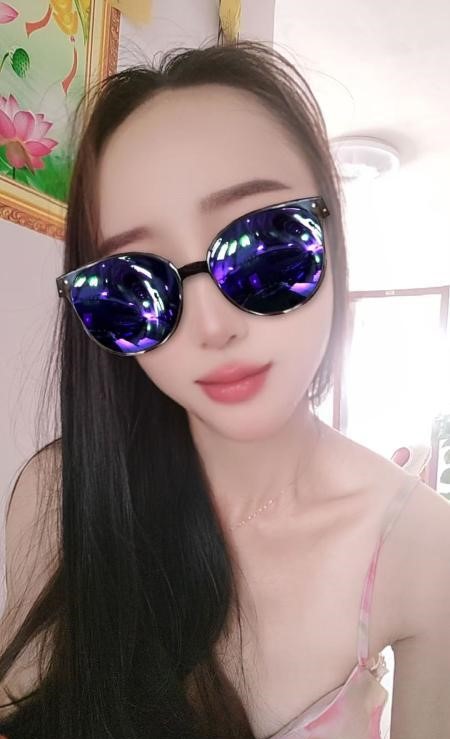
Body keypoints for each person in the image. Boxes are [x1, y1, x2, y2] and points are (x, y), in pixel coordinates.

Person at [0, 41, 449, 739]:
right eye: (133, 284)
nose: (211, 326)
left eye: (265, 246)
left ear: (331, 227)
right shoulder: (56, 495)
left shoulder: (424, 549)